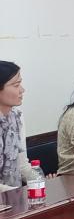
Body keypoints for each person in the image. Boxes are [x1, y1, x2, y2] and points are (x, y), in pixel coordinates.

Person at [0, 61, 34, 192]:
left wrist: (41, 182)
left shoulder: (17, 116)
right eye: (16, 85)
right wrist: (16, 194)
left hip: (14, 195)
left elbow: (22, 166)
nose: (22, 90)